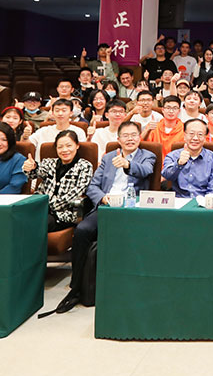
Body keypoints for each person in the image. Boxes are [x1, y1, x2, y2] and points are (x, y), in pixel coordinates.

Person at [57, 121, 156, 313]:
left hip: (132, 208)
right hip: (107, 206)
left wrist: (128, 164)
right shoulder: (109, 157)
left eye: (133, 135)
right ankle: (76, 284)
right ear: (118, 139)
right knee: (83, 230)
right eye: (125, 135)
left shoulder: (147, 156)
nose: (129, 138)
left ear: (139, 137)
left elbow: (146, 171)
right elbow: (93, 186)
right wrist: (103, 198)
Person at [23, 129, 94, 231]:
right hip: (40, 209)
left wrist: (46, 206)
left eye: (69, 146)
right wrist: (31, 167)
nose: (64, 150)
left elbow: (76, 193)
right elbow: (35, 172)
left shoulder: (84, 166)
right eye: (60, 147)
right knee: (19, 219)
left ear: (77, 146)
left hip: (63, 214)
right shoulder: (50, 163)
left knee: (34, 223)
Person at [160, 117, 213, 199]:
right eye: (191, 134)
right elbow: (166, 175)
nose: (195, 138)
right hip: (179, 203)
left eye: (200, 134)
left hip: (204, 205)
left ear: (205, 138)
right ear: (184, 136)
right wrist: (179, 164)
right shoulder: (173, 156)